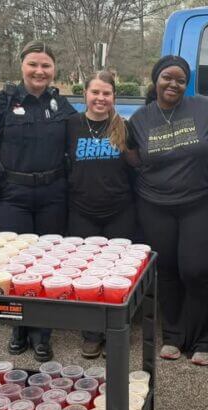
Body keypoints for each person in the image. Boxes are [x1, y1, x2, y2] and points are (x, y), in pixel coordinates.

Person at [0, 41, 76, 362]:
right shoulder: (0, 102)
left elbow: (80, 137)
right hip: (13, 195)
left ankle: (42, 333)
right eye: (33, 64)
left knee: (45, 265)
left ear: (53, 69)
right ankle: (18, 327)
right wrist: (1, 163)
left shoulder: (62, 105)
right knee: (17, 265)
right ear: (22, 66)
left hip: (52, 194)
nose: (39, 71)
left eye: (45, 65)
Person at [127, 55, 208, 366]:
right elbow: (133, 158)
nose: (173, 83)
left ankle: (205, 338)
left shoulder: (206, 108)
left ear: (187, 83)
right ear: (156, 80)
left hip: (201, 202)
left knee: (195, 271)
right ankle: (172, 336)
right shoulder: (140, 119)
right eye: (167, 77)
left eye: (180, 79)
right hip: (155, 205)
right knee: (167, 271)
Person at [65, 71, 137, 359]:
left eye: (106, 93)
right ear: (85, 94)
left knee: (119, 275)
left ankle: (117, 330)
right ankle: (91, 334)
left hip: (120, 210)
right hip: (82, 211)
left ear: (113, 97)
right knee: (88, 276)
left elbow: (137, 164)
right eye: (95, 92)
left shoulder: (124, 126)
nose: (100, 98)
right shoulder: (70, 126)